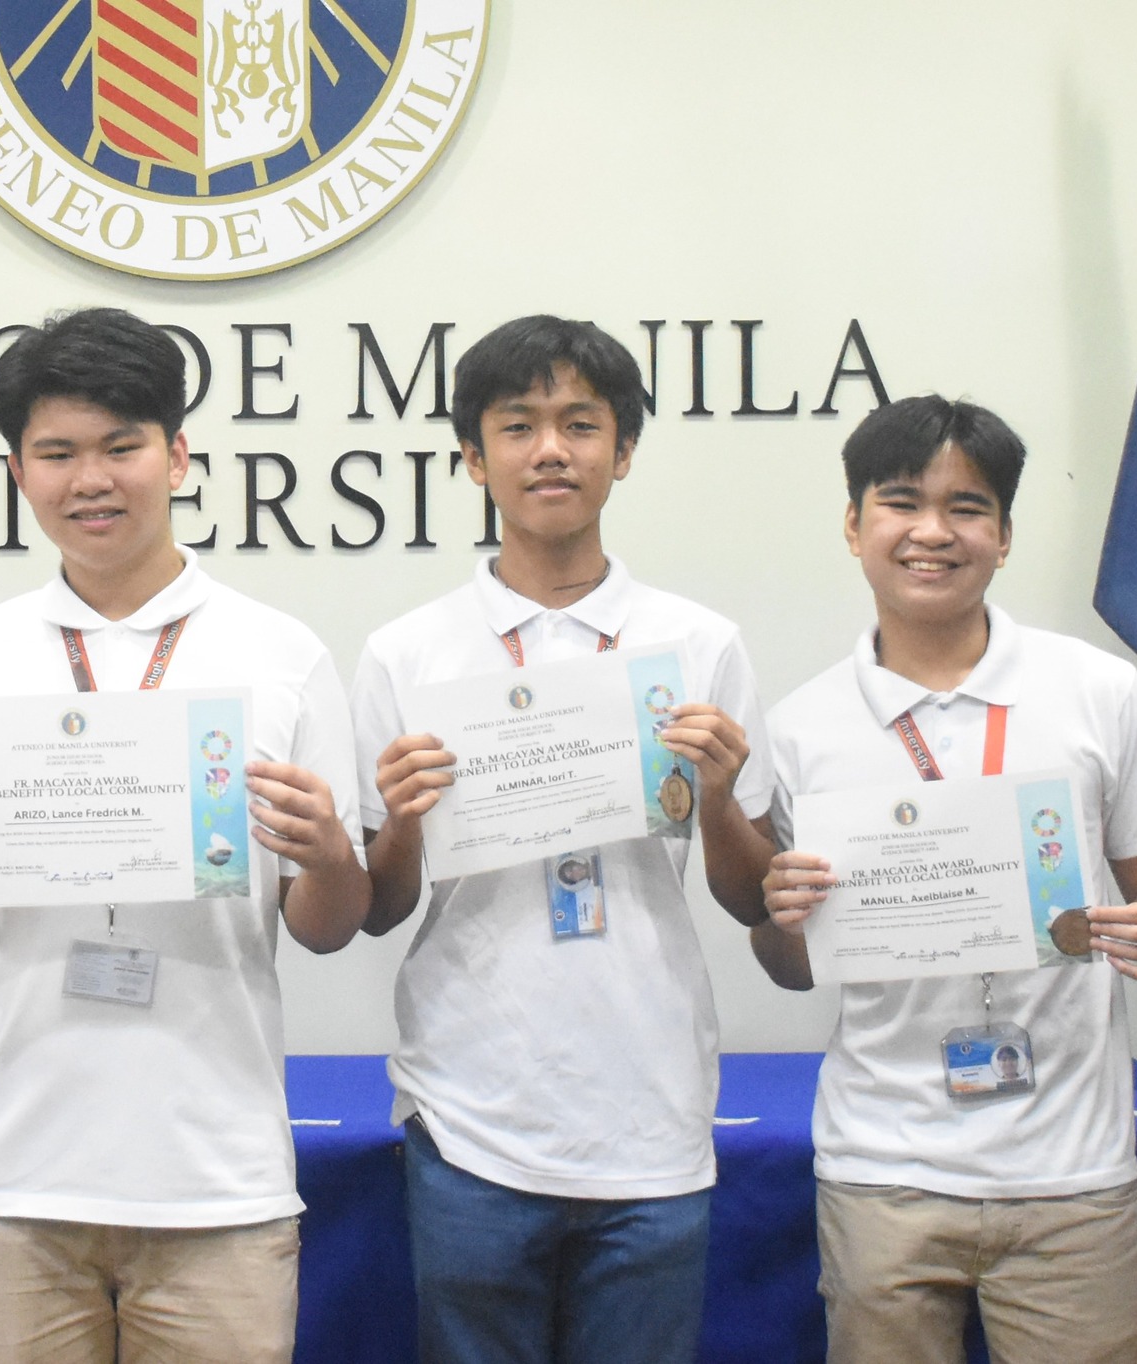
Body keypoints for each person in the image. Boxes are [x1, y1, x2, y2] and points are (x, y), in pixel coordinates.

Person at [0, 306, 369, 1364]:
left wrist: (326, 853)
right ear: (17, 470)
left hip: (217, 1175)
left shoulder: (277, 653)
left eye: (120, 445)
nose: (88, 478)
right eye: (55, 452)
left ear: (176, 455)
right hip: (12, 1172)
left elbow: (327, 926)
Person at [347, 314, 775, 1362]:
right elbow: (375, 906)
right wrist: (400, 815)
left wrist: (718, 796)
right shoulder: (406, 650)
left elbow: (751, 896)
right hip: (469, 1106)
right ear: (470, 455)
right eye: (518, 425)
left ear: (621, 452)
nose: (550, 449)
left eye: (580, 425)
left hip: (650, 1102)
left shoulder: (696, 640)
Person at [755, 395, 1137, 1364]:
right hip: (883, 1165)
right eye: (899, 501)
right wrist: (780, 913)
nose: (931, 531)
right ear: (852, 524)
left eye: (966, 507)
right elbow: (790, 962)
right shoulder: (801, 724)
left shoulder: (1093, 689)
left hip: (1072, 1169)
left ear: (1002, 535)